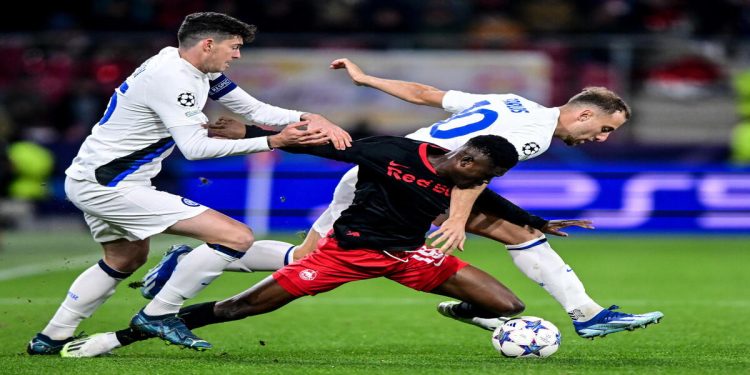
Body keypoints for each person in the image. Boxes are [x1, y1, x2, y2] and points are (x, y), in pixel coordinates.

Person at [198, 58, 664, 339]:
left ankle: (207, 258)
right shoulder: (534, 133)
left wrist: (368, 81)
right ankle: (587, 314)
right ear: (582, 114)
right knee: (515, 231)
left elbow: (426, 94)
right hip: (410, 179)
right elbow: (472, 177)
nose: (602, 138)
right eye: (603, 129)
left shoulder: (513, 101)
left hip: (395, 165)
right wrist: (458, 220)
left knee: (306, 256)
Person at [26, 12, 351, 355]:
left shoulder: (196, 69)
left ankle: (51, 337)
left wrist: (306, 117)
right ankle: (160, 313)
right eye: (234, 47)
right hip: (110, 185)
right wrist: (272, 143)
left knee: (123, 259)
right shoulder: (172, 78)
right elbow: (195, 149)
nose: (237, 55)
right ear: (208, 44)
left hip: (98, 177)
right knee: (235, 236)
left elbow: (254, 111)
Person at [61, 133, 528, 357]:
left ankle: (462, 310)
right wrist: (246, 136)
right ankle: (117, 338)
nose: (470, 173)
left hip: (407, 257)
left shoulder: (472, 181)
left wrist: (538, 221)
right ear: (462, 152)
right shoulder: (395, 152)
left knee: (508, 304)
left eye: (480, 172)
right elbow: (323, 147)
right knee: (235, 310)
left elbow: (494, 200)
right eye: (471, 163)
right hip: (343, 255)